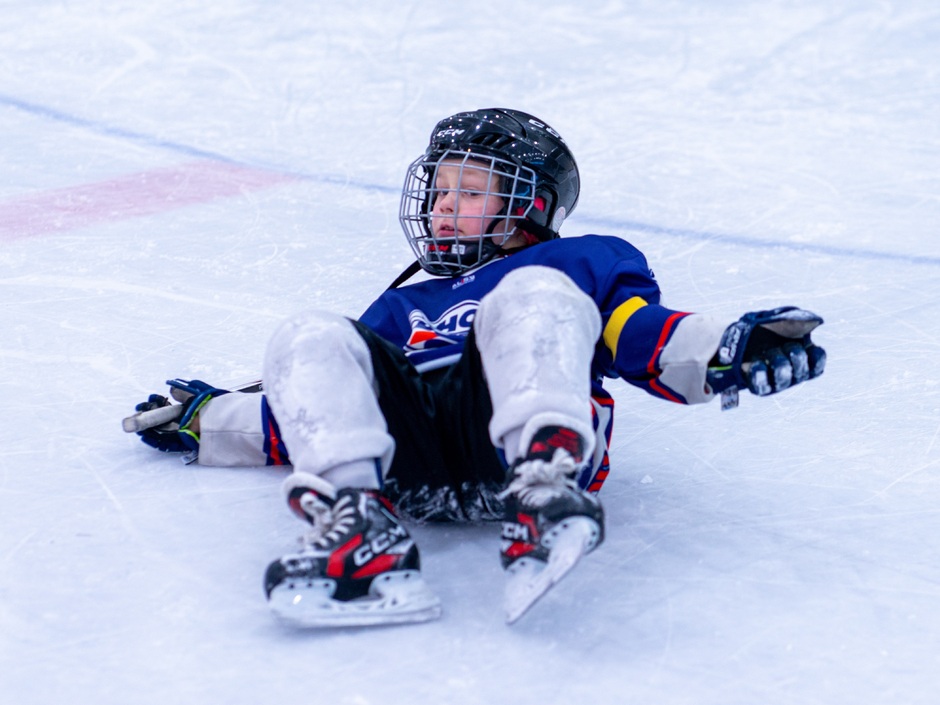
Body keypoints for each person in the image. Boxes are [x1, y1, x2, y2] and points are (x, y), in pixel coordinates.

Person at [131, 108, 826, 627]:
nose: (443, 206)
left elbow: (635, 334)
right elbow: (327, 408)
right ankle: (360, 526)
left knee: (533, 293)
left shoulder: (573, 262)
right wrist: (210, 420)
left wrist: (724, 347)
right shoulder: (399, 306)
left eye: (468, 191)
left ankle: (543, 489)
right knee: (310, 331)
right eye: (439, 192)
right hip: (409, 466)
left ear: (529, 205)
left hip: (512, 440)